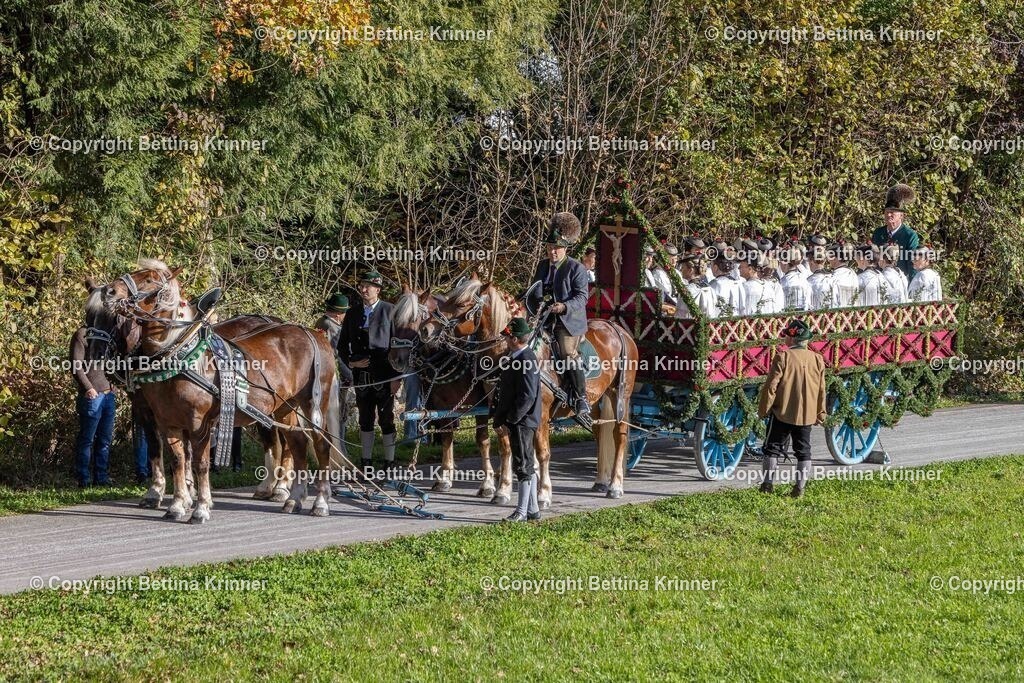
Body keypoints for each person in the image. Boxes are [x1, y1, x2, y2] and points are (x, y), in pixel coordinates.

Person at [527, 212, 591, 422]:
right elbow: (535, 290)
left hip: (568, 322)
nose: (552, 252)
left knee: (566, 353)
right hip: (543, 318)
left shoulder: (577, 268)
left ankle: (581, 398)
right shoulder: (542, 266)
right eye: (549, 247)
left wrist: (563, 307)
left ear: (565, 248)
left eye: (556, 248)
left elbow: (582, 297)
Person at [757, 320, 827, 498]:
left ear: (792, 339)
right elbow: (821, 389)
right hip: (807, 414)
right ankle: (799, 489)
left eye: (787, 336)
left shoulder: (783, 357)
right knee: (804, 451)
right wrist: (821, 412)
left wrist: (764, 409)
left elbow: (771, 387)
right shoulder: (817, 359)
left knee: (772, 448)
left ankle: (767, 485)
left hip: (783, 412)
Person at [337, 271, 399, 469]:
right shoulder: (352, 313)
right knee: (365, 418)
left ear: (377, 290)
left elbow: (398, 346)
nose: (363, 289)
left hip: (385, 374)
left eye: (367, 286)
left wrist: (397, 377)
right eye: (361, 285)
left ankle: (390, 462)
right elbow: (341, 346)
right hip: (361, 376)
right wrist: (352, 364)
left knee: (386, 418)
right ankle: (366, 462)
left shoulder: (390, 310)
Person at [492, 318, 543, 522]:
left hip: (522, 421)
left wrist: (511, 420)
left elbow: (527, 396)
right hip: (519, 421)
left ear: (514, 338)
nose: (505, 341)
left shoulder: (526, 359)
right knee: (525, 464)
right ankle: (532, 509)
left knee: (523, 465)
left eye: (507, 337)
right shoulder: (517, 356)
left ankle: (521, 512)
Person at [69, 298, 118, 487]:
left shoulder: (106, 336)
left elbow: (113, 363)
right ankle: (83, 479)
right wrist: (88, 388)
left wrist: (114, 386)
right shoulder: (82, 334)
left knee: (105, 440)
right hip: (92, 396)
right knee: (87, 439)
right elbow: (76, 366)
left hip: (108, 395)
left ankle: (102, 478)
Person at [315, 293, 356, 448]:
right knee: (338, 416)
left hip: (328, 375)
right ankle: (340, 451)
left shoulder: (323, 322)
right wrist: (350, 375)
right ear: (339, 313)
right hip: (335, 377)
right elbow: (336, 355)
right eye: (345, 312)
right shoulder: (330, 326)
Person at [871, 184, 920, 280]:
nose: (889, 215)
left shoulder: (909, 235)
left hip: (900, 281)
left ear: (901, 215)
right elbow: (873, 259)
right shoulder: (878, 233)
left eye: (892, 212)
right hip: (880, 281)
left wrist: (911, 286)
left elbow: (912, 263)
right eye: (887, 212)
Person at [806, 236, 838, 310]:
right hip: (831, 316)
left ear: (811, 261)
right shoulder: (833, 278)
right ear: (825, 260)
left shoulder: (809, 281)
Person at [779, 244, 812, 311]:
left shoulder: (782, 282)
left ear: (785, 262)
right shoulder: (804, 278)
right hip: (805, 315)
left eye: (780, 261)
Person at [828, 242, 860, 307]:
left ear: (835, 258)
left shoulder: (834, 277)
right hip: (853, 311)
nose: (828, 260)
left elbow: (833, 300)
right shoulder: (853, 274)